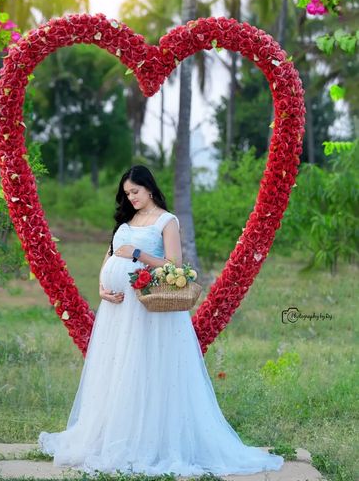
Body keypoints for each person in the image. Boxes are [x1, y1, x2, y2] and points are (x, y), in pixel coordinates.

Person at [38, 164, 284, 477]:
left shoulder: (167, 221)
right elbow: (110, 256)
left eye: (135, 192)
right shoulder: (126, 221)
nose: (132, 198)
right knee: (119, 370)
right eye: (127, 194)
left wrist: (137, 253)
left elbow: (174, 266)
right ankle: (115, 434)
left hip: (148, 313)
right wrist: (102, 286)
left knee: (148, 369)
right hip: (117, 312)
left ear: (149, 188)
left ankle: (150, 440)